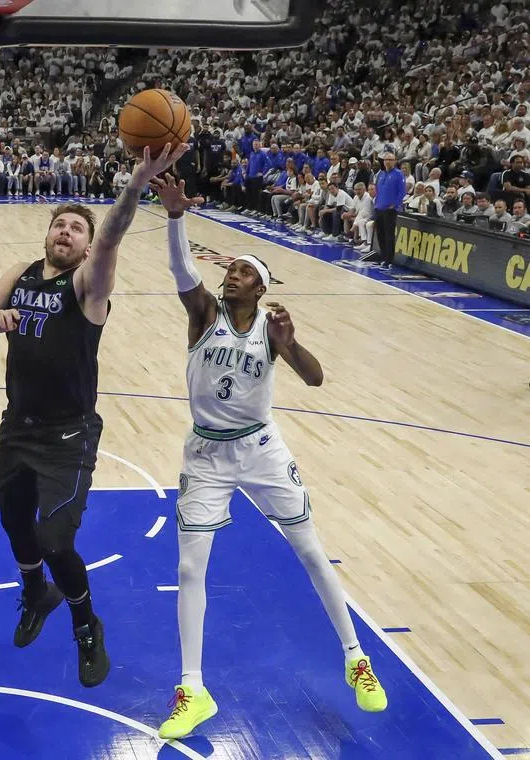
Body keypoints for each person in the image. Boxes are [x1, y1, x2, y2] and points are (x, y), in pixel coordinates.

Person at [147, 174, 388, 739]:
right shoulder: (203, 314)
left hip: (261, 448)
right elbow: (184, 274)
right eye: (230, 269)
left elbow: (315, 378)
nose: (231, 275)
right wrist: (176, 216)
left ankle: (356, 659)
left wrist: (289, 344)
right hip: (205, 454)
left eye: (243, 272)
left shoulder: (271, 329)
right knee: (189, 567)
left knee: (310, 550)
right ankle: (193, 689)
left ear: (260, 287)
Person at [0, 143, 189, 687]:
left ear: (87, 248)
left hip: (69, 435)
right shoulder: (21, 271)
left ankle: (86, 623)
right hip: (18, 426)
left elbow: (112, 234)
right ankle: (35, 588)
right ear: (47, 234)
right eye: (60, 225)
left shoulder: (88, 286)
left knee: (56, 540)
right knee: (14, 520)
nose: (66, 232)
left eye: (76, 230)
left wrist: (135, 183)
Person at [364, 152, 404, 264]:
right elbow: (378, 189)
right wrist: (376, 203)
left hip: (390, 209)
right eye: (386, 160)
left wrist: (395, 205)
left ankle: (389, 259)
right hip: (379, 208)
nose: (388, 162)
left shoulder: (398, 174)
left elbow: (402, 192)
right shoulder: (381, 174)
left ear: (395, 161)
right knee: (380, 233)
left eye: (390, 160)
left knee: (389, 234)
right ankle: (383, 254)